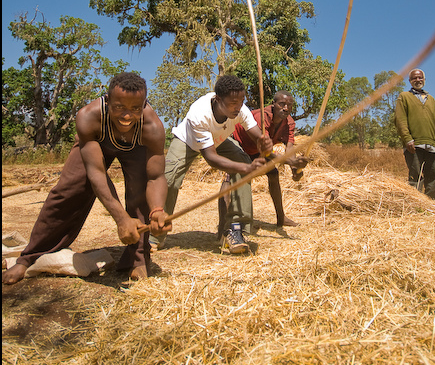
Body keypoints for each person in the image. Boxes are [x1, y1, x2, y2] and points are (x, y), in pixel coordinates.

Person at [2, 73, 172, 285]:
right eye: (119, 107)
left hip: (135, 148)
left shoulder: (152, 127)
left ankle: (138, 259)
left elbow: (155, 176)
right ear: (107, 100)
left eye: (135, 109)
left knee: (140, 194)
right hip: (97, 143)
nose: (127, 116)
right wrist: (120, 218)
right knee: (68, 191)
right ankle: (29, 258)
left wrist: (157, 210)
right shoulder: (88, 116)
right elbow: (97, 173)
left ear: (144, 104)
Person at [150, 74, 272, 255]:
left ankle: (234, 230)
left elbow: (256, 135)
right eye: (233, 103)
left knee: (242, 160)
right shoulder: (199, 114)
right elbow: (211, 158)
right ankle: (155, 233)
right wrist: (247, 168)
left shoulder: (240, 108)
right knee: (169, 179)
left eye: (241, 102)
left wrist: (264, 142)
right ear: (218, 99)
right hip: (188, 141)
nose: (238, 107)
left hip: (219, 141)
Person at [221, 90, 308, 230]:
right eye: (282, 104)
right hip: (238, 144)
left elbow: (289, 148)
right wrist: (291, 162)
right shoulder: (262, 118)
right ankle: (226, 224)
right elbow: (266, 150)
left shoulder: (289, 123)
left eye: (289, 105)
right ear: (273, 104)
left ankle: (281, 218)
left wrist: (295, 169)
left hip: (256, 150)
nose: (286, 108)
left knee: (273, 174)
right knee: (231, 178)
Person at [394, 68, 435, 200]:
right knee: (416, 175)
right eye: (414, 78)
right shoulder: (404, 97)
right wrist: (407, 139)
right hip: (414, 144)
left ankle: (433, 205)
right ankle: (415, 204)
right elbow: (400, 120)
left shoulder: (431, 99)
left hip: (431, 145)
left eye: (420, 77)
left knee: (432, 175)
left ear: (424, 80)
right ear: (410, 81)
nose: (418, 80)